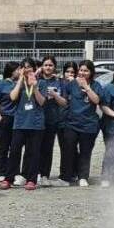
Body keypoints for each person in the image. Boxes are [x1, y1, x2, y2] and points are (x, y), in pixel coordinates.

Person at [2, 57, 45, 191]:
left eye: (29, 67)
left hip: (36, 123)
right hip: (20, 123)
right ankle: (8, 178)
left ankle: (31, 179)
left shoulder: (41, 83)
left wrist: (34, 86)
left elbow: (42, 102)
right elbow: (13, 97)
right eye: (24, 67)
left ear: (33, 68)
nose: (26, 69)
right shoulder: (17, 83)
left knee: (33, 153)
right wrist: (21, 80)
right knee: (14, 151)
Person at [60, 59, 103, 187]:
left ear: (91, 72)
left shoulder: (96, 85)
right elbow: (65, 100)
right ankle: (67, 176)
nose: (83, 73)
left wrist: (86, 87)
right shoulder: (71, 84)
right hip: (72, 123)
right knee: (69, 149)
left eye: (86, 70)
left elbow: (96, 101)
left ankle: (83, 176)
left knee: (85, 151)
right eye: (81, 70)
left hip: (89, 124)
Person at [37, 56, 67, 186]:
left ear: (54, 67)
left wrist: (55, 95)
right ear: (42, 67)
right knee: (36, 148)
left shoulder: (59, 82)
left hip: (53, 120)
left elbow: (64, 102)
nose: (48, 67)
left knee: (48, 149)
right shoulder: (37, 80)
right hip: (37, 119)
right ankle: (33, 173)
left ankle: (44, 175)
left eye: (50, 65)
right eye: (45, 65)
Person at [0, 61, 20, 184]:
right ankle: (0, 171)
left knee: (15, 147)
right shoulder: (1, 84)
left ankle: (14, 171)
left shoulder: (20, 84)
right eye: (18, 69)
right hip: (5, 117)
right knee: (3, 146)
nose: (20, 72)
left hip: (18, 119)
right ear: (11, 71)